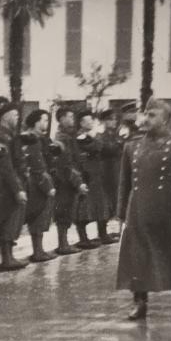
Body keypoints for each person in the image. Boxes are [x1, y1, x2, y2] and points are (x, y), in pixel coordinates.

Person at [115, 99, 171, 320]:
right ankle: (139, 301)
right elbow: (124, 182)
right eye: (145, 113)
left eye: (152, 115)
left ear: (165, 119)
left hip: (170, 209)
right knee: (137, 256)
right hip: (139, 210)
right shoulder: (132, 146)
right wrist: (121, 213)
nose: (145, 118)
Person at [0, 102, 29, 271]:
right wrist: (17, 189)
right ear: (5, 117)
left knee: (12, 220)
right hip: (5, 187)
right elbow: (6, 167)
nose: (17, 118)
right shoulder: (3, 138)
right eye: (14, 115)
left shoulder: (11, 136)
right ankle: (6, 259)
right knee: (7, 220)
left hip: (10, 184)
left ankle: (9, 257)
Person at [51, 105, 89, 255]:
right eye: (70, 116)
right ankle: (62, 244)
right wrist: (77, 182)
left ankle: (64, 243)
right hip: (64, 181)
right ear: (61, 118)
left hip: (68, 180)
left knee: (67, 211)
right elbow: (66, 164)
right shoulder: (62, 138)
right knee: (64, 212)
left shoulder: (67, 136)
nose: (73, 119)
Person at [23, 108, 57, 263]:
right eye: (43, 120)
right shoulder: (33, 139)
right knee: (38, 216)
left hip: (39, 181)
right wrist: (46, 185)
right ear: (35, 122)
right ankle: (37, 251)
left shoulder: (40, 138)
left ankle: (40, 249)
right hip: (37, 184)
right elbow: (37, 164)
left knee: (42, 216)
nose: (46, 122)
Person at [75, 111, 112, 247]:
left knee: (101, 205)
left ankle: (103, 233)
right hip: (87, 174)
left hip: (96, 174)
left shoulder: (90, 135)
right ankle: (83, 237)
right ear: (81, 123)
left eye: (91, 120)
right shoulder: (81, 136)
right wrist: (96, 137)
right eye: (87, 120)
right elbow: (96, 146)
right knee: (85, 207)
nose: (90, 123)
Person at [98, 108, 123, 242]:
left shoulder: (116, 135)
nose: (113, 122)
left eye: (114, 119)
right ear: (104, 121)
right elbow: (107, 149)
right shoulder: (101, 136)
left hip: (116, 170)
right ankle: (103, 232)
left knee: (115, 200)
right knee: (106, 201)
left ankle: (115, 230)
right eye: (110, 119)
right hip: (106, 172)